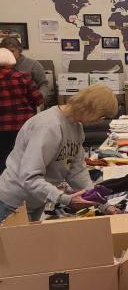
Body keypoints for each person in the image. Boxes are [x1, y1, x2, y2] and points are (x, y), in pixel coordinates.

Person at [0, 84, 118, 224]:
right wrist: (64, 199)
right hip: (12, 204)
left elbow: (77, 171)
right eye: (101, 116)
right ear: (90, 108)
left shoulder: (76, 127)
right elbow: (29, 177)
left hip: (35, 201)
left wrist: (102, 204)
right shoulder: (49, 126)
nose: (100, 121)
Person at [0, 48, 44, 175]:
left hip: (1, 127)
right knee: (23, 157)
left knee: (2, 157)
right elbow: (38, 99)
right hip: (23, 125)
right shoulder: (23, 77)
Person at [0, 36, 49, 102]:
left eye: (12, 51)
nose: (9, 54)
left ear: (19, 50)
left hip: (29, 104)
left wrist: (40, 97)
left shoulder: (33, 64)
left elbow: (44, 84)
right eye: (6, 52)